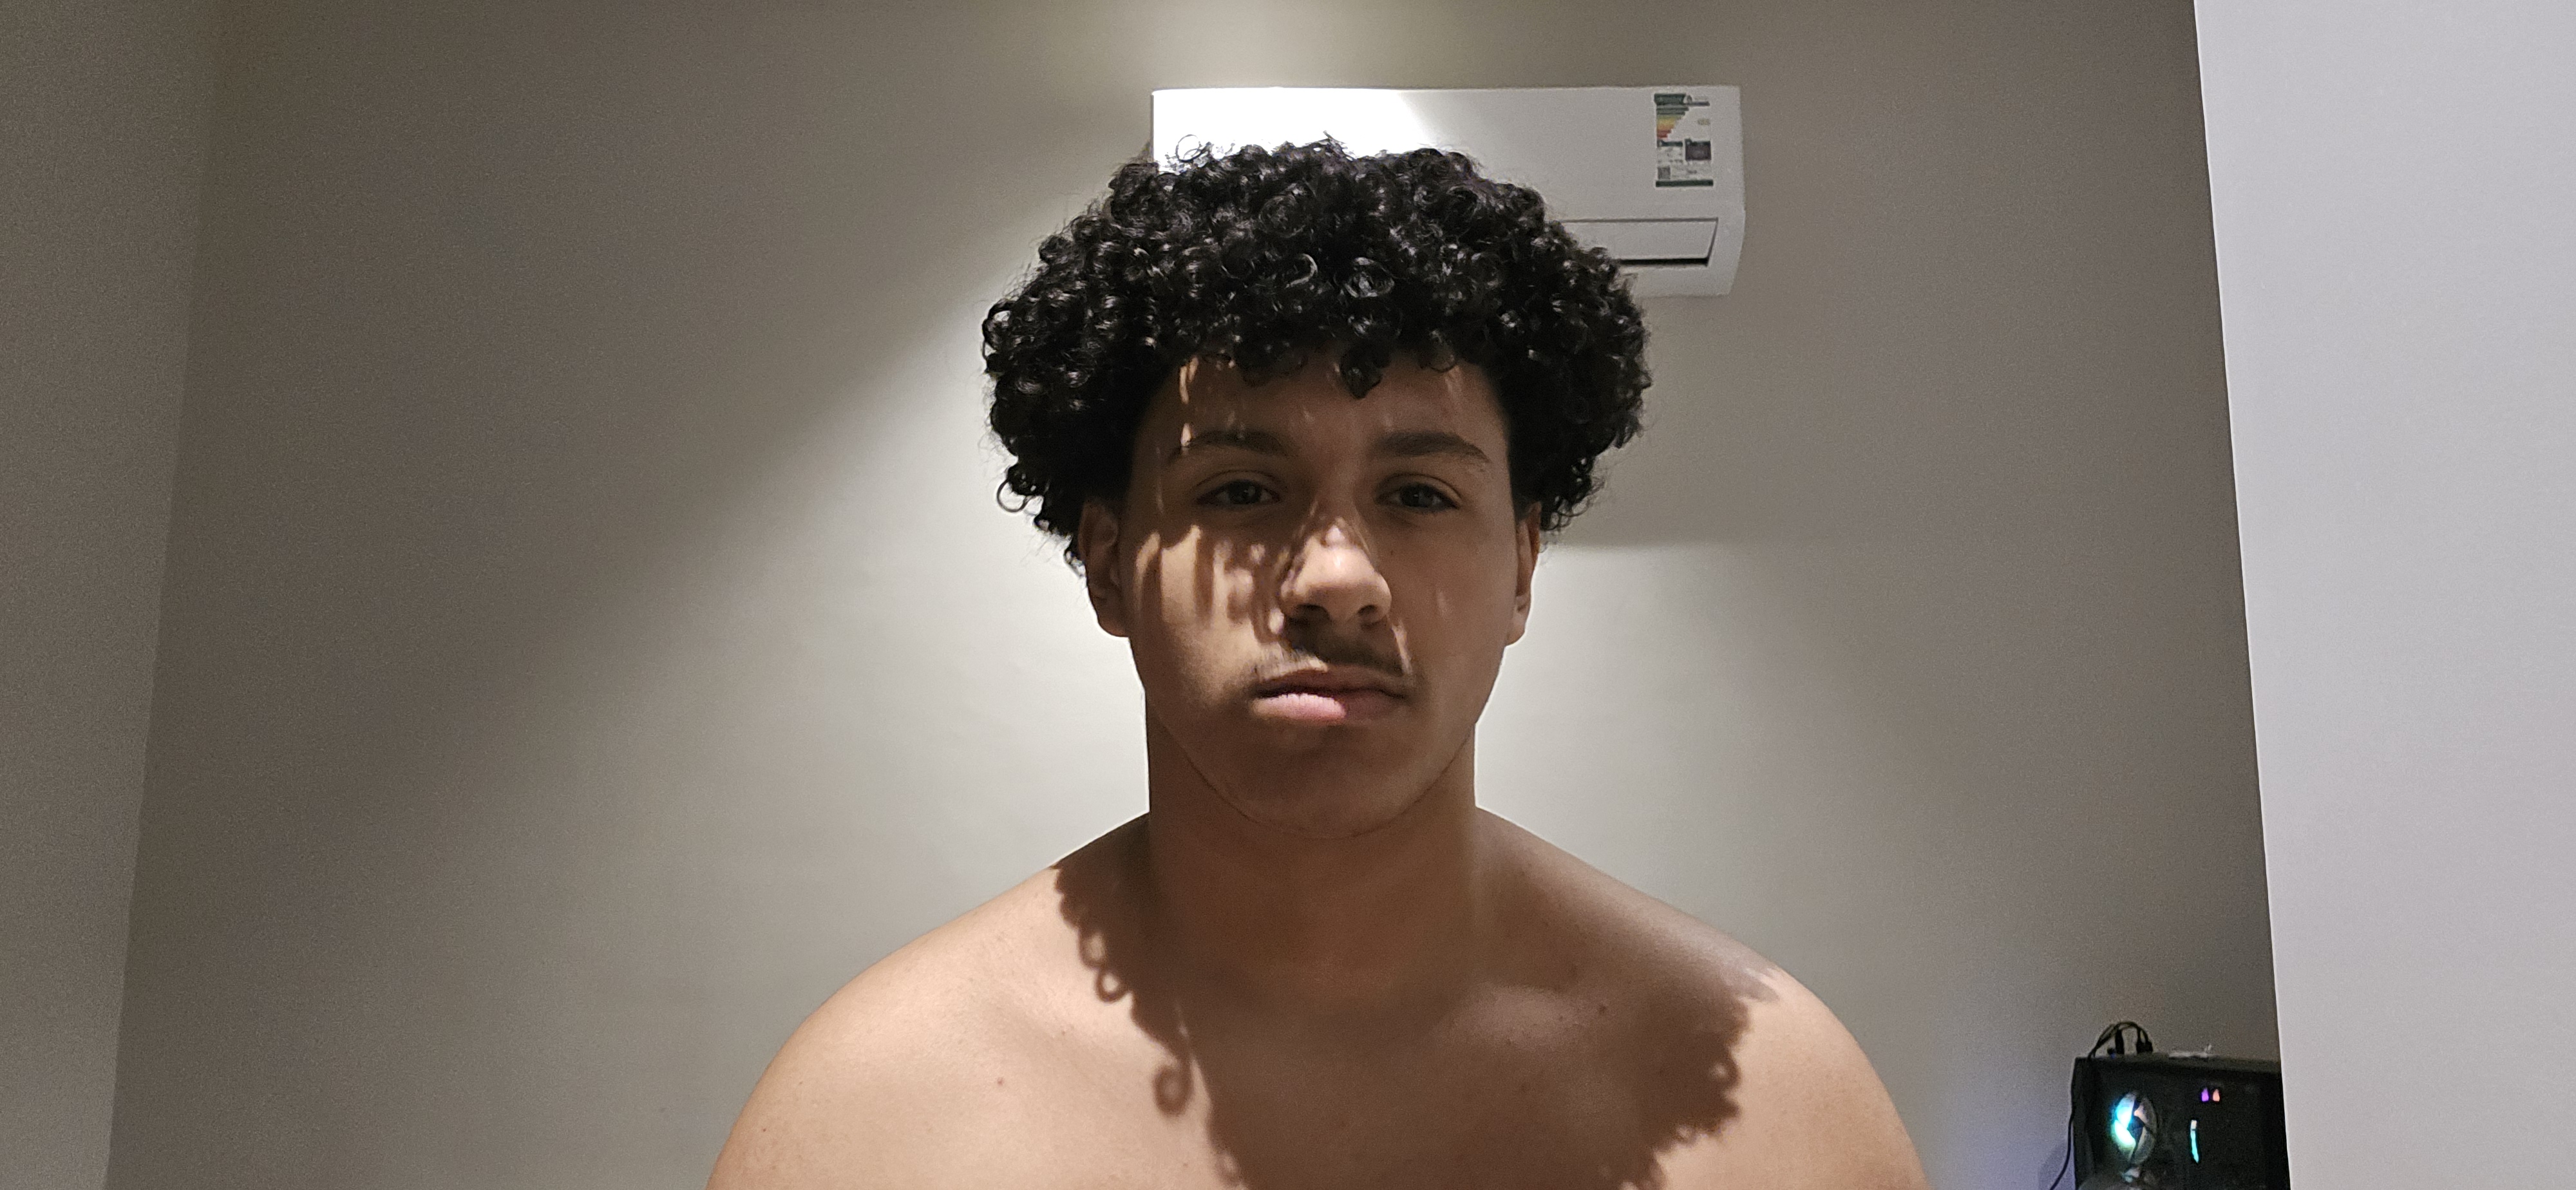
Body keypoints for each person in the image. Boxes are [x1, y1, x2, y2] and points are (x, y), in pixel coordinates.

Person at [707, 142, 1928, 1190]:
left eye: (1419, 494)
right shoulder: (872, 1126)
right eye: (1241, 491)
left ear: (1520, 566)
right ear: (1110, 562)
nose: (1337, 576)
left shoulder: (1771, 1110)